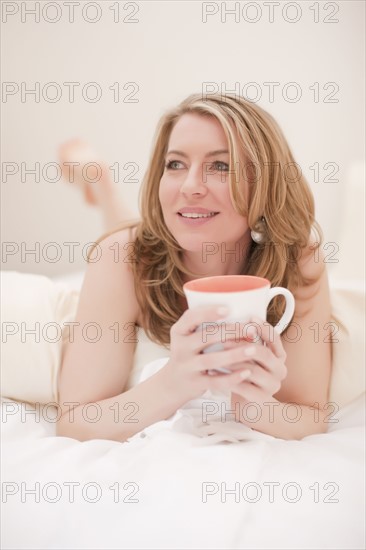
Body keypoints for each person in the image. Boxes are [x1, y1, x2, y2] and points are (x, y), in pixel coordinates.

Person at [56, 93, 332, 442]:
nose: (189, 187)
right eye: (175, 164)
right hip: (139, 248)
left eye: (220, 165)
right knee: (129, 235)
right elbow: (75, 422)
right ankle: (100, 181)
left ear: (265, 183)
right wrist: (174, 382)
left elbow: (311, 417)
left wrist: (255, 406)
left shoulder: (299, 261)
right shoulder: (120, 256)